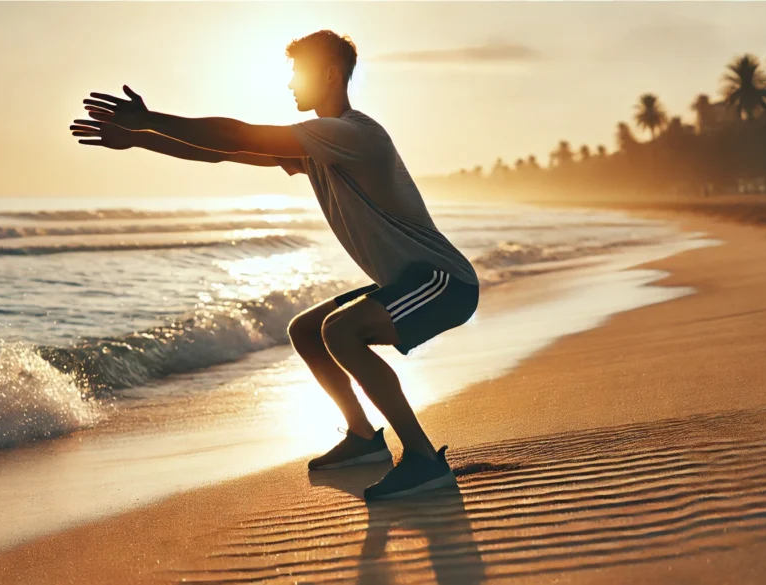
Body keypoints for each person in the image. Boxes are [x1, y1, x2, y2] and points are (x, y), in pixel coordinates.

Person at [69, 30, 480, 501]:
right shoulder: (321, 146)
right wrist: (142, 139)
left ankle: (425, 460)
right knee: (308, 329)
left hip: (444, 282)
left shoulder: (352, 134)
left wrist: (149, 119)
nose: (289, 85)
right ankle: (363, 438)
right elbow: (226, 149)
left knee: (340, 332)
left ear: (328, 74)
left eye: (297, 72)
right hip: (413, 281)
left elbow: (235, 133)